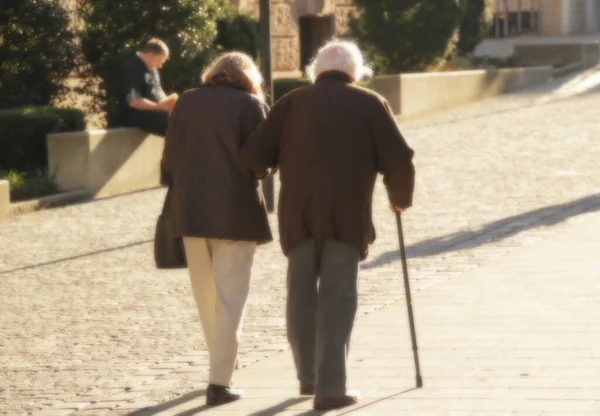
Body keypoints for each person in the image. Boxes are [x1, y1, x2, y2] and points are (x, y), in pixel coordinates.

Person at [241, 40, 415, 411]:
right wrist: (399, 197)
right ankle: (331, 389)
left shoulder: (291, 103)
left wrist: (270, 167)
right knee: (338, 297)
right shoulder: (370, 103)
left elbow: (256, 154)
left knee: (300, 293)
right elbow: (399, 159)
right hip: (347, 215)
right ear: (356, 72)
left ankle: (309, 376)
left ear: (316, 70)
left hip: (298, 214)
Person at [161, 52, 272, 406]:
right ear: (248, 76)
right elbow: (261, 162)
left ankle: (219, 366)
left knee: (206, 295)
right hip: (235, 214)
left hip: (190, 212)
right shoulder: (250, 104)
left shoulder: (188, 101)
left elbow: (170, 159)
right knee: (230, 296)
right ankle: (220, 382)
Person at [119, 38, 178, 136]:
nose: (161, 66)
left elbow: (157, 92)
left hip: (156, 111)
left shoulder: (153, 69)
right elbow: (134, 101)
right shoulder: (133, 68)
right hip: (137, 115)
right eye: (160, 61)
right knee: (169, 119)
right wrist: (159, 107)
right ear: (151, 55)